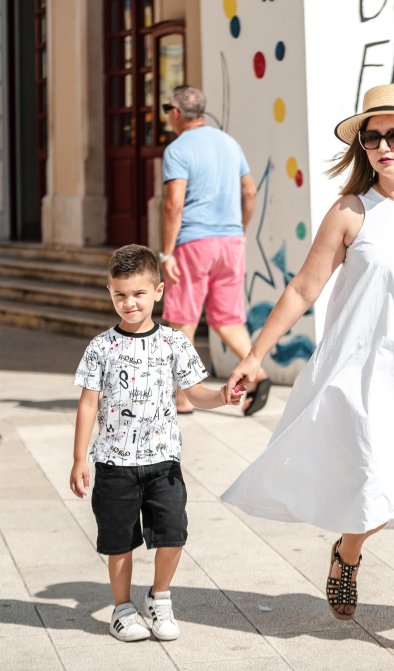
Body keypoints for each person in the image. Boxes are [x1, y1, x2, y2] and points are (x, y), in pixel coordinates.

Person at [222, 85, 394, 659]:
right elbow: (304, 288)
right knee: (375, 485)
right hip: (367, 372)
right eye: (372, 138)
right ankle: (348, 552)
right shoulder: (352, 211)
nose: (382, 147)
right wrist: (255, 357)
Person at [69, 245, 243, 642]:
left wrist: (222, 396)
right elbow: (88, 403)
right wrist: (80, 458)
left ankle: (159, 597)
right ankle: (122, 608)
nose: (129, 303)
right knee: (119, 541)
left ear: (159, 291)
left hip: (163, 462)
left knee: (173, 532)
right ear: (110, 292)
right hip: (114, 463)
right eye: (120, 295)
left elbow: (194, 392)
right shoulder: (100, 347)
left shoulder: (175, 342)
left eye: (138, 294)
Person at [159, 85, 271, 416]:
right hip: (231, 242)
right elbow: (249, 193)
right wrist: (242, 231)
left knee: (182, 322)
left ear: (176, 113)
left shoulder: (177, 149)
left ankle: (182, 399)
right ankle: (259, 376)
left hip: (194, 242)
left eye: (168, 110)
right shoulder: (229, 143)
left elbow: (174, 203)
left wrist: (167, 252)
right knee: (228, 319)